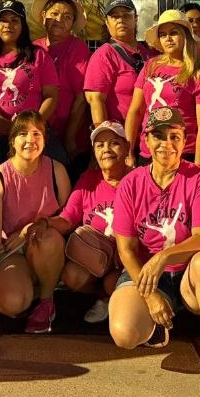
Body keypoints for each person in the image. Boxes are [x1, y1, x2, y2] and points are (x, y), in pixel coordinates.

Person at [108, 106, 200, 397]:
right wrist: (150, 295)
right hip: (153, 275)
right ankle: (154, 326)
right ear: (146, 140)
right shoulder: (131, 183)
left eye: (174, 136)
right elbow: (126, 249)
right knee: (124, 333)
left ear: (184, 140)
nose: (166, 144)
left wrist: (164, 257)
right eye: (158, 136)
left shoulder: (199, 179)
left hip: (194, 273)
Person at [0, 111, 71, 340]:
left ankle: (46, 300)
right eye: (23, 133)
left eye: (37, 133)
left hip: (45, 245)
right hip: (11, 251)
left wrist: (30, 228)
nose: (30, 140)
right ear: (12, 140)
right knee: (11, 303)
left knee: (48, 238)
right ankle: (34, 284)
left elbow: (68, 220)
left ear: (45, 139)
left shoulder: (57, 170)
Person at [33, 120, 131, 324]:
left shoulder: (138, 179)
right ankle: (102, 296)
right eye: (100, 145)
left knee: (113, 283)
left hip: (126, 258)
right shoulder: (88, 179)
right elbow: (68, 218)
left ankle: (113, 297)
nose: (106, 150)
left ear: (127, 147)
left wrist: (126, 253)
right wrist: (44, 222)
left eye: (114, 143)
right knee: (71, 276)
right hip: (95, 256)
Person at [0, 0, 59, 169]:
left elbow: (51, 95)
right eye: (3, 20)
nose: (8, 25)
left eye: (14, 20)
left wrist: (33, 125)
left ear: (23, 25)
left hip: (29, 137)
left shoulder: (38, 56)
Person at [124, 9, 200, 165]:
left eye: (173, 33)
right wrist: (128, 152)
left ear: (185, 35)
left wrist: (198, 167)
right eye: (162, 35)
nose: (168, 38)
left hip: (182, 153)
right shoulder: (151, 65)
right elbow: (136, 110)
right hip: (148, 152)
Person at [32, 0, 91, 174]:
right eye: (55, 13)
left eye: (67, 17)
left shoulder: (77, 48)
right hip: (37, 133)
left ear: (72, 23)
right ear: (43, 16)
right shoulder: (33, 48)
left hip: (68, 137)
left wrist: (70, 136)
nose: (59, 20)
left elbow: (81, 97)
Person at [84, 0, 152, 128]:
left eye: (126, 15)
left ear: (136, 18)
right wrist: (105, 135)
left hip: (150, 135)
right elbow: (95, 100)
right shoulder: (104, 55)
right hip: (120, 134)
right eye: (115, 17)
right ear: (107, 22)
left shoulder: (148, 53)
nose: (120, 20)